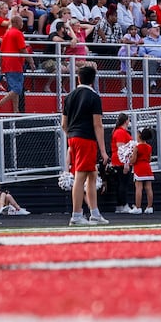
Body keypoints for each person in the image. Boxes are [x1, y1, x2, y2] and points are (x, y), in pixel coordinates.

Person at [62, 63, 109, 226]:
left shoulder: (69, 96)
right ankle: (76, 215)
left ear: (78, 78)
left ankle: (94, 213)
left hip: (73, 137)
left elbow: (63, 124)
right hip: (86, 139)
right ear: (93, 80)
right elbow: (98, 125)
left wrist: (72, 136)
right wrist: (103, 150)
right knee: (81, 176)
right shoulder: (94, 97)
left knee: (91, 175)